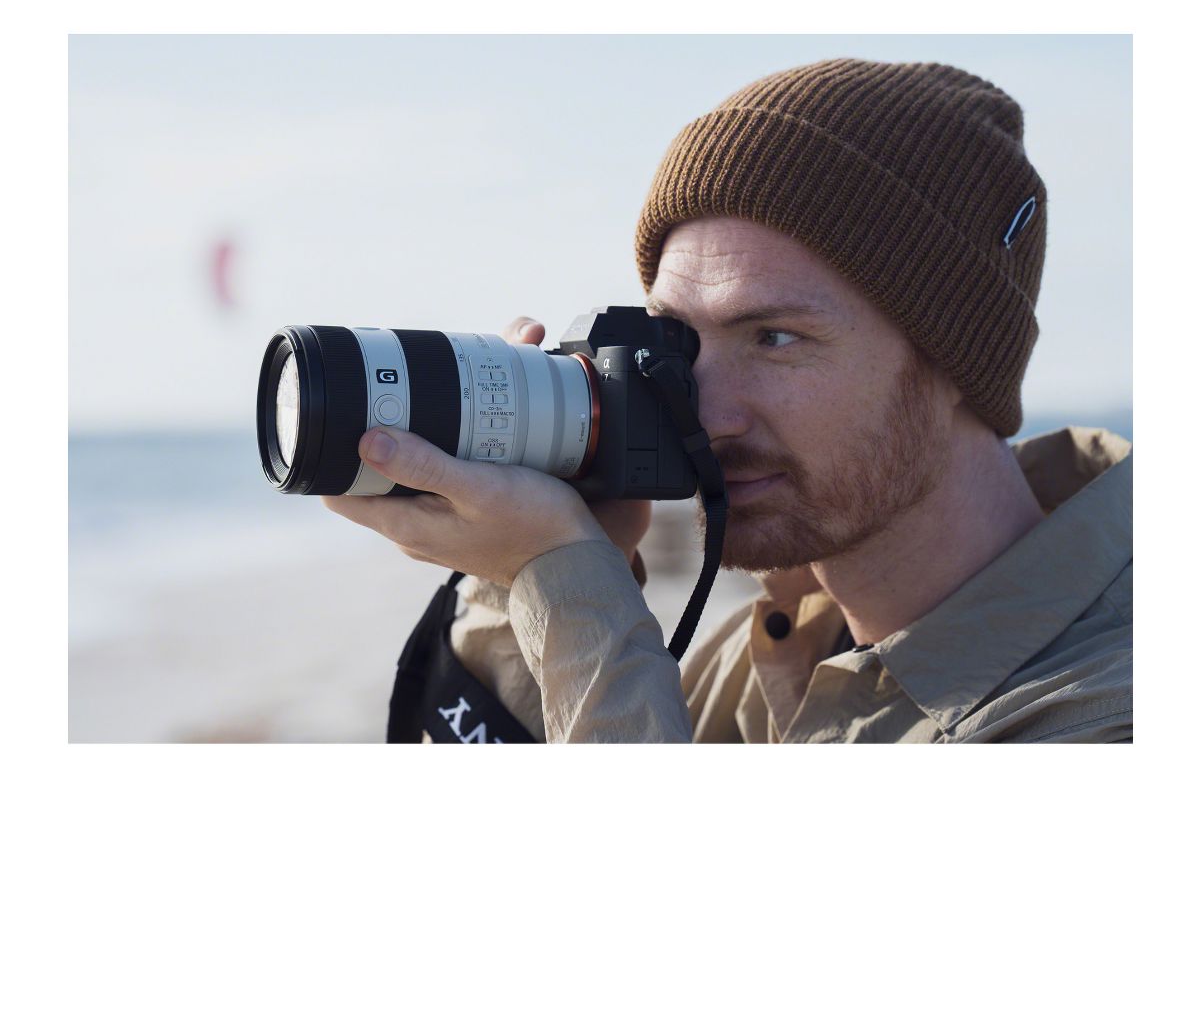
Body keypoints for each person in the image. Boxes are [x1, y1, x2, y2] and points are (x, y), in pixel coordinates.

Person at [324, 58, 1132, 743]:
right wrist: (522, 579)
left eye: (774, 338)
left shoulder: (1108, 704)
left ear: (955, 354)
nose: (706, 416)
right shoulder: (759, 663)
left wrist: (569, 586)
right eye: (678, 343)